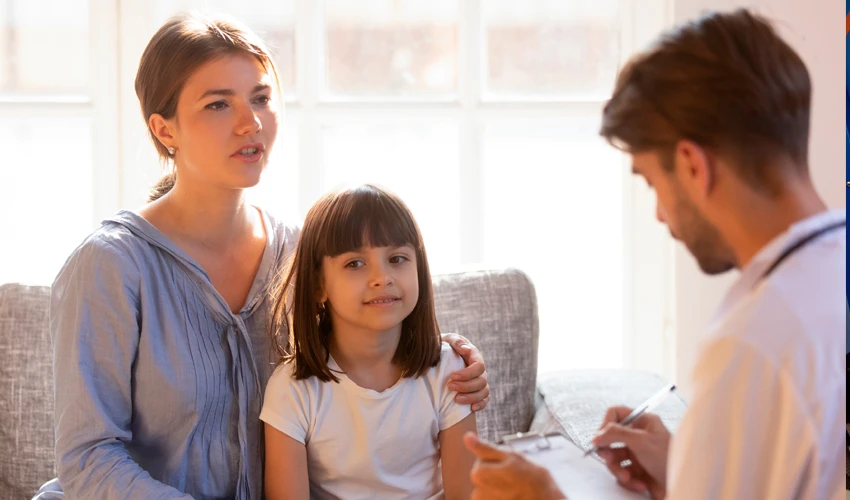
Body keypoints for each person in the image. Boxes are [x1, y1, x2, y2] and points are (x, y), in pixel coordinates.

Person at [36, 13, 490, 500]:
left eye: (260, 98)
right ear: (165, 130)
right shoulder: (109, 266)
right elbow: (87, 457)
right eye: (217, 104)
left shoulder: (301, 251)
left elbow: (363, 345)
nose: (250, 123)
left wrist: (450, 356)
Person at [464, 8, 845, 500]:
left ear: (691, 165)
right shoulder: (826, 280)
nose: (661, 215)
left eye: (651, 182)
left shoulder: (752, 344)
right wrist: (687, 472)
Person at [261, 184, 478, 499]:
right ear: (319, 285)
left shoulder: (449, 370)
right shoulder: (292, 389)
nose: (382, 277)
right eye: (355, 263)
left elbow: (467, 494)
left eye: (397, 258)